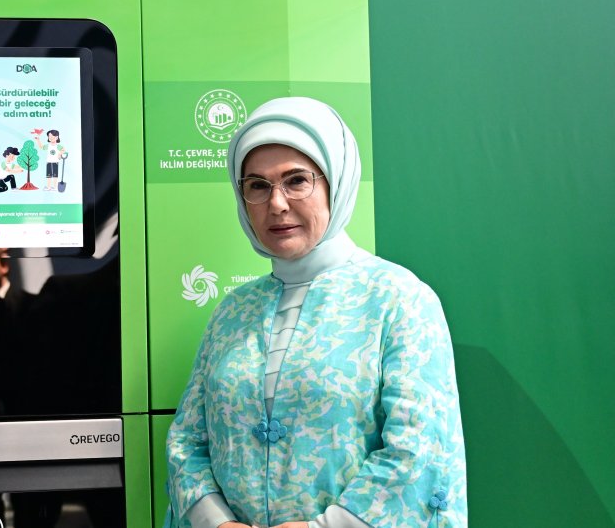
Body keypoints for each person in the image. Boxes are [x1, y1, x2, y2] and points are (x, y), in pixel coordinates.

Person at [166, 97, 466, 528]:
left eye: (296, 180)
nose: (277, 204)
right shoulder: (232, 312)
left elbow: (420, 447)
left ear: (336, 182)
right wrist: (216, 522)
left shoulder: (398, 299)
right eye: (257, 185)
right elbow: (187, 442)